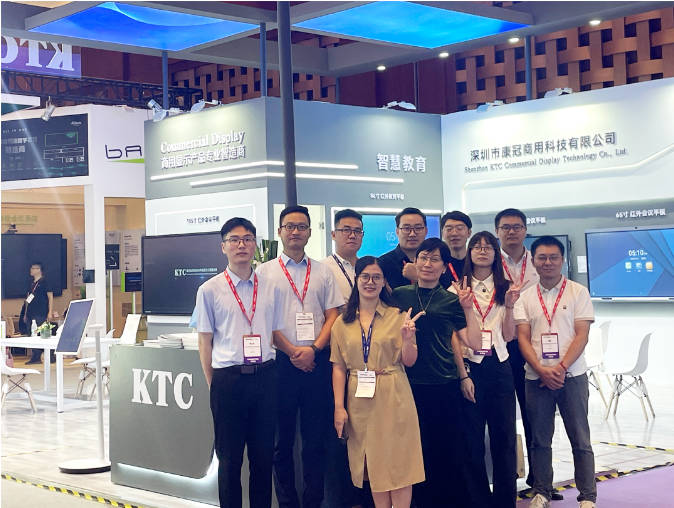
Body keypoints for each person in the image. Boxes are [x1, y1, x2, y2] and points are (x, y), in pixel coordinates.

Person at [257, 205, 343, 508]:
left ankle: (313, 502)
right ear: (280, 231)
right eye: (290, 226)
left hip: (317, 363)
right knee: (281, 442)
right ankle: (287, 503)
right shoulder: (263, 273)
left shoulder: (323, 271)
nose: (295, 232)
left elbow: (333, 316)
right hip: (280, 364)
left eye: (302, 227)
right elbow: (261, 319)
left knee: (315, 440)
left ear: (309, 232)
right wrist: (293, 351)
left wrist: (314, 349)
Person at [390, 237, 486, 507]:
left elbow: (474, 342)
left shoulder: (451, 300)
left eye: (435, 260)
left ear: (444, 267)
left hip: (443, 383)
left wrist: (468, 308)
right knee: (413, 451)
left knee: (445, 450)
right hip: (407, 383)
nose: (428, 264)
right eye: (423, 257)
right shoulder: (399, 295)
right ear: (415, 261)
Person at [195, 217, 281, 508]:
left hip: (266, 378)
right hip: (228, 380)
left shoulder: (271, 287)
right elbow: (204, 341)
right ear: (223, 247)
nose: (241, 245)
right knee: (229, 461)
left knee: (263, 459)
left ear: (255, 245)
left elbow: (275, 332)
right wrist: (215, 384)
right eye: (234, 239)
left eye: (247, 239)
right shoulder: (209, 290)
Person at [331, 256, 425, 508]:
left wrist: (408, 340)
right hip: (359, 399)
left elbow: (409, 361)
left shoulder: (398, 316)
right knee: (372, 464)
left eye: (376, 277)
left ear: (384, 282)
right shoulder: (342, 321)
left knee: (399, 463)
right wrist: (339, 407)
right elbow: (338, 366)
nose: (370, 282)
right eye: (365, 277)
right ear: (356, 280)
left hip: (393, 393)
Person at [514, 236, 596, 508]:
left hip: (572, 377)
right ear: (534, 261)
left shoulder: (578, 292)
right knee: (540, 439)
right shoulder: (525, 297)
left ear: (562, 260)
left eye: (553, 257)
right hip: (536, 378)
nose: (547, 262)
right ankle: (542, 492)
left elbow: (582, 335)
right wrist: (541, 369)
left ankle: (587, 496)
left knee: (580, 439)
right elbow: (523, 337)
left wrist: (560, 368)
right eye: (542, 257)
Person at [453, 231, 521, 508]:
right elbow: (454, 336)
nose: (482, 251)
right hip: (471, 366)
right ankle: (478, 500)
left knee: (504, 436)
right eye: (477, 247)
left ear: (496, 253)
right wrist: (463, 374)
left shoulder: (507, 288)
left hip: (500, 365)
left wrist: (511, 307)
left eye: (488, 247)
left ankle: (505, 501)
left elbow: (509, 335)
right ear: (469, 253)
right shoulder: (457, 289)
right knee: (471, 439)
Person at [494, 207, 547, 495]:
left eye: (516, 226)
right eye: (505, 227)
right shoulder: (489, 262)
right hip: (500, 345)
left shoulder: (539, 262)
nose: (511, 231)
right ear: (497, 232)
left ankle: (540, 481)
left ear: (525, 230)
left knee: (534, 414)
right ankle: (504, 485)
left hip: (532, 344)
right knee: (502, 418)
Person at [377, 207, 428, 290]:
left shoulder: (435, 262)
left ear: (426, 231)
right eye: (406, 228)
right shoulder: (382, 263)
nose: (412, 234)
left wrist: (420, 279)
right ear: (397, 231)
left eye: (418, 228)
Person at [323, 209, 363, 302]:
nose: (352, 236)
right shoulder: (323, 268)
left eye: (357, 231)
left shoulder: (367, 267)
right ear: (333, 235)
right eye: (346, 230)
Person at [20, 262, 55, 364]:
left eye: (33, 268)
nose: (31, 270)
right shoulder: (31, 283)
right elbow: (28, 299)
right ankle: (35, 357)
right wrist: (25, 313)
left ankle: (50, 356)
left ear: (39, 270)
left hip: (41, 312)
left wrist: (50, 312)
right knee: (31, 334)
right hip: (30, 312)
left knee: (42, 333)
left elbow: (50, 297)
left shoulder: (45, 282)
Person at [440, 210, 472, 283]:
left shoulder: (475, 262)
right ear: (442, 234)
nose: (454, 233)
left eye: (459, 228)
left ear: (469, 232)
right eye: (449, 229)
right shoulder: (438, 263)